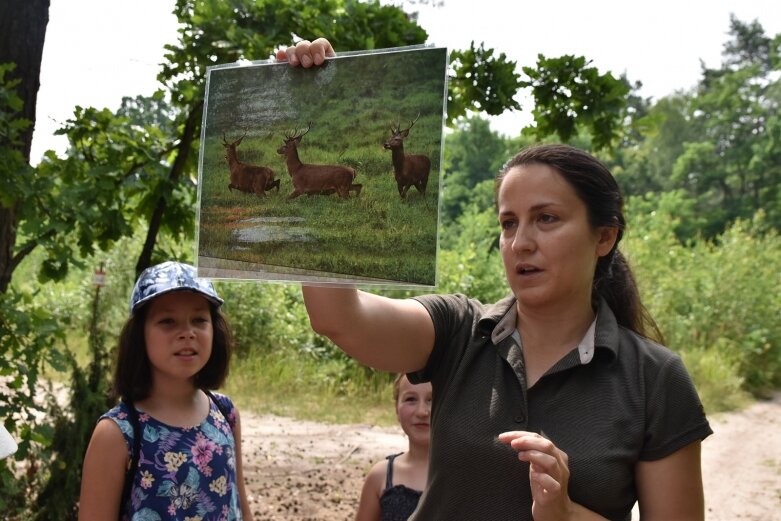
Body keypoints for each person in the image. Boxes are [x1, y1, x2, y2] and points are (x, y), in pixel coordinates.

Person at [299, 132, 713, 517]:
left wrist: (566, 513)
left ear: (604, 237)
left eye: (546, 218)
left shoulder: (655, 379)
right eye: (508, 223)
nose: (521, 243)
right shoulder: (459, 329)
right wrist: (308, 94)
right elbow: (339, 318)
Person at [78, 261, 253, 520]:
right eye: (167, 321)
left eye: (199, 320)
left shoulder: (226, 414)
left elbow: (239, 502)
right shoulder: (118, 433)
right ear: (140, 335)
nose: (187, 333)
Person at [356, 374, 431, 521]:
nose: (422, 411)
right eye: (410, 399)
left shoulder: (466, 476)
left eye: (432, 399)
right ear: (396, 408)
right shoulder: (380, 477)